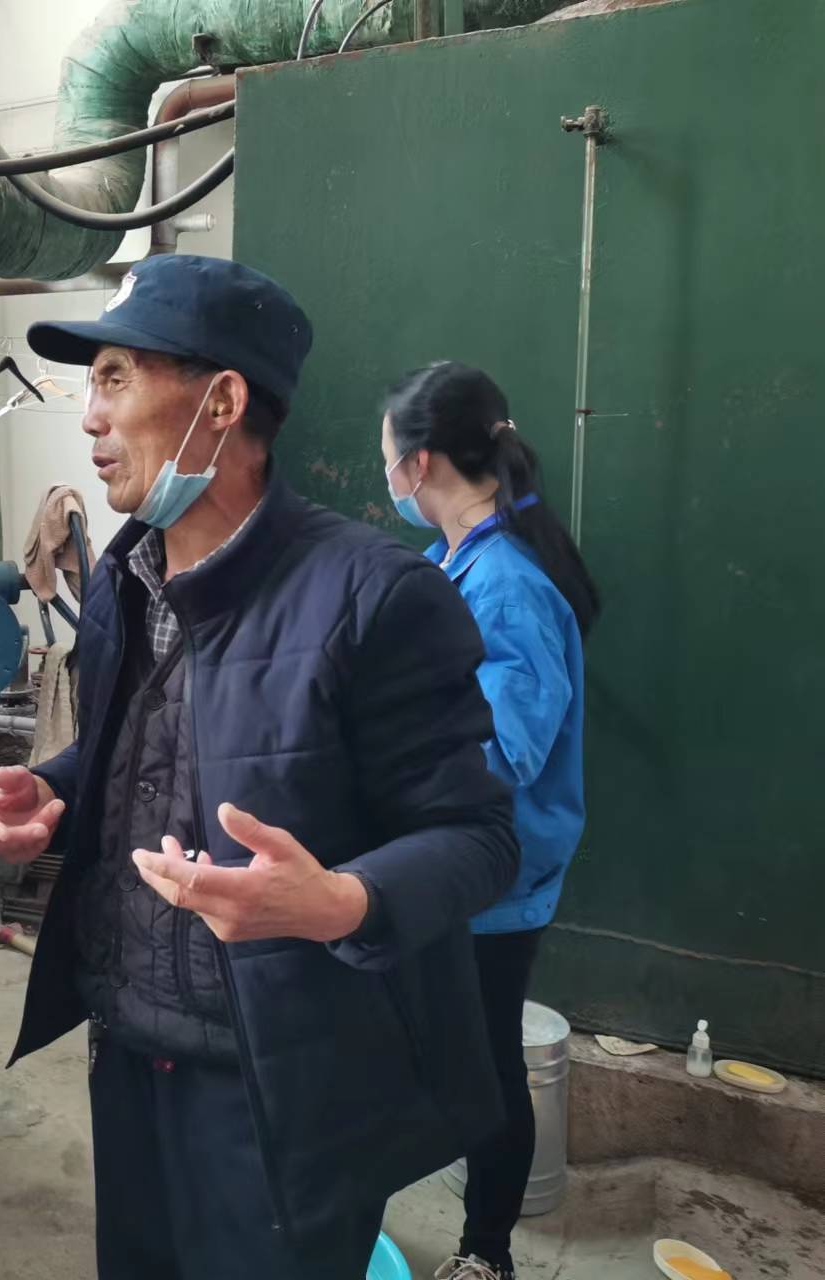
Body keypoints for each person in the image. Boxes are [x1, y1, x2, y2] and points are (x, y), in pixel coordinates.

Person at [0, 254, 520, 1279]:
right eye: (91, 384)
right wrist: (53, 787)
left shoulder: (372, 597)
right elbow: (148, 745)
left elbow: (479, 837)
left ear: (221, 403)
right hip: (125, 1048)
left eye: (116, 378)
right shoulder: (124, 576)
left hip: (279, 1088)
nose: (90, 416)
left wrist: (343, 901)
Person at [381, 362, 596, 1280]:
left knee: (489, 1067)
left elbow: (506, 753)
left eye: (387, 457)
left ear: (420, 461)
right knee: (448, 1054)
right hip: (453, 867)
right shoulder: (455, 563)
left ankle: (487, 1254)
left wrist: (385, 760)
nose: (387, 476)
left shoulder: (506, 584)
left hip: (495, 877)